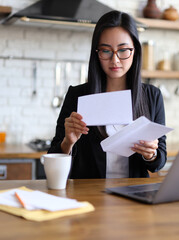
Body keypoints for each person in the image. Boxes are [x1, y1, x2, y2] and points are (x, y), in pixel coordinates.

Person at [48, 10, 167, 178]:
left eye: (123, 50)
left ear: (135, 51)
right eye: (106, 51)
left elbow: (159, 163)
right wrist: (68, 141)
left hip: (133, 196)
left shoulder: (151, 96)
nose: (115, 60)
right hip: (89, 194)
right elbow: (53, 155)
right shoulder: (78, 95)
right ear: (97, 53)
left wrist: (151, 154)